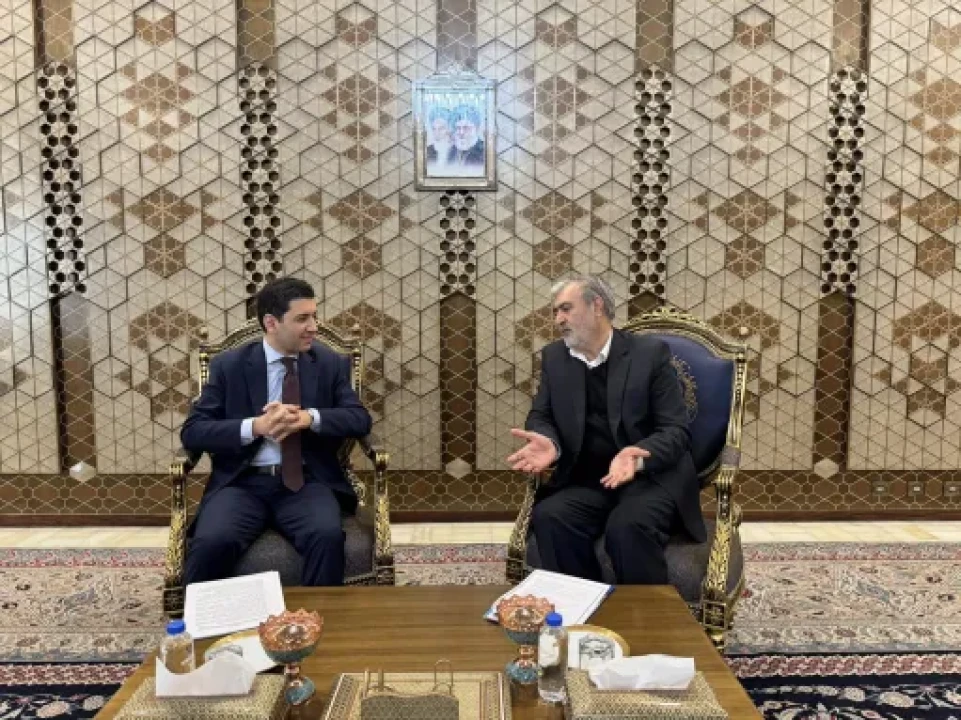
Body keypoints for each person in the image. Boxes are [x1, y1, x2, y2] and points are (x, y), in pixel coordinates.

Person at [507, 276, 706, 584]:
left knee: (627, 527)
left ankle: (645, 613)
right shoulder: (555, 357)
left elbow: (676, 430)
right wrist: (550, 443)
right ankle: (586, 602)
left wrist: (638, 457)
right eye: (555, 312)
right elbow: (541, 415)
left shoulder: (649, 355)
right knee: (551, 516)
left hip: (649, 479)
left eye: (566, 309)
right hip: (590, 480)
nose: (558, 319)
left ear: (596, 306)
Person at [182, 277, 372, 586]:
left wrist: (309, 418)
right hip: (242, 483)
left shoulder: (328, 364)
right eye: (302, 318)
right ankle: (200, 618)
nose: (314, 327)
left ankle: (319, 615)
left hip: (306, 482)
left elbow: (359, 419)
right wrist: (256, 426)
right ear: (271, 323)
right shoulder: (229, 365)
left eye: (314, 316)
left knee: (326, 537)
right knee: (211, 543)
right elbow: (194, 431)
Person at [450, 105, 485, 173]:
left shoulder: (484, 151)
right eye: (458, 128)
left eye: (466, 128)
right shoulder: (451, 151)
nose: (461, 132)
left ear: (476, 128)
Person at [425, 107, 455, 175]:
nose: (437, 132)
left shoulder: (458, 151)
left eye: (441, 128)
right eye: (434, 129)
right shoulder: (428, 150)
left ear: (450, 128)